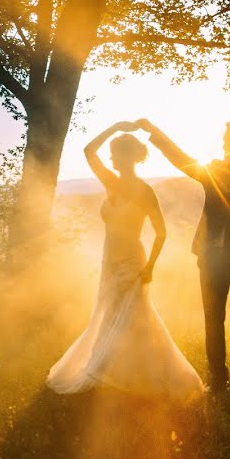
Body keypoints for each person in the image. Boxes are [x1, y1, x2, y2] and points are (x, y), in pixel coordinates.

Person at [46, 121, 205, 402]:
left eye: (114, 153)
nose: (109, 158)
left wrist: (150, 267)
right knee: (109, 313)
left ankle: (117, 372)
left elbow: (161, 232)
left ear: (125, 157)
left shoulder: (145, 191)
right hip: (110, 258)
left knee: (133, 317)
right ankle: (117, 371)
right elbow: (88, 150)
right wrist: (115, 127)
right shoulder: (111, 183)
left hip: (133, 260)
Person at [137, 118, 230, 393]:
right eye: (224, 140)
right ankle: (218, 382)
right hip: (211, 262)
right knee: (213, 323)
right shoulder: (212, 172)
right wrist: (155, 132)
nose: (224, 143)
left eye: (228, 139)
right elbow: (180, 159)